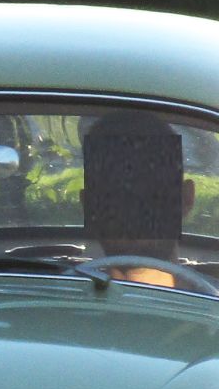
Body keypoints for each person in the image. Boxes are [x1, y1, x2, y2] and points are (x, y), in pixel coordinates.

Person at [80, 110, 197, 287]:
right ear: (90, 208)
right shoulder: (59, 306)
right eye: (114, 202)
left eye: (151, 198)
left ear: (185, 199)